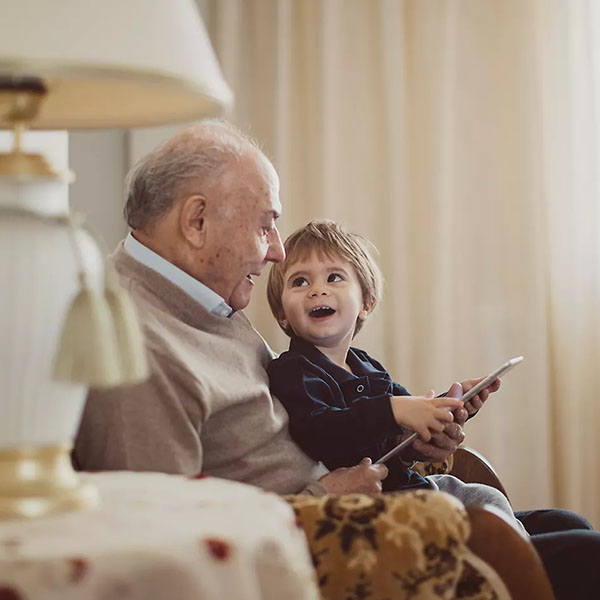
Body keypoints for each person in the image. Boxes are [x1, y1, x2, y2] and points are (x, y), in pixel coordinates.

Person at [73, 120, 600, 599]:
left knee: (571, 525)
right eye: (265, 225)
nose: (276, 251)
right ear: (196, 221)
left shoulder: (205, 299)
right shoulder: (133, 338)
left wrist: (410, 438)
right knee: (586, 557)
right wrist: (322, 494)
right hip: (328, 549)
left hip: (362, 502)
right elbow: (156, 546)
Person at [266, 219, 527, 533]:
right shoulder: (292, 370)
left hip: (417, 487)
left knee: (489, 496)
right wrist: (395, 410)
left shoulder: (367, 366)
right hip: (383, 507)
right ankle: (520, 568)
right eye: (299, 282)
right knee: (488, 517)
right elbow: (322, 431)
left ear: (366, 302)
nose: (317, 290)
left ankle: (524, 556)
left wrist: (445, 411)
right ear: (282, 313)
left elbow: (403, 431)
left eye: (334, 277)